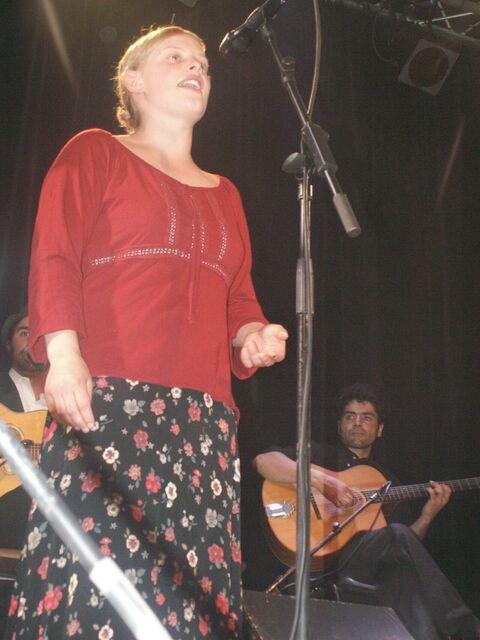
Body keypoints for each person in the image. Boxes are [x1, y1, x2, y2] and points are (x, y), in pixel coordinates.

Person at [5, 25, 288, 640]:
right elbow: (55, 254)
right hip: (108, 402)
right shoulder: (95, 152)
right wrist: (63, 355)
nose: (197, 69)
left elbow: (238, 298)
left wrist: (252, 334)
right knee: (96, 593)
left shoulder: (227, 194)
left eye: (203, 63)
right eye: (175, 57)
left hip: (204, 425)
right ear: (132, 81)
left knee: (190, 602)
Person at [253, 383, 480, 640]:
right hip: (323, 558)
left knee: (402, 567)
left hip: (365, 565)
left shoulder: (385, 480)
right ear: (339, 426)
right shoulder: (318, 454)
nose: (357, 423)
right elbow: (264, 461)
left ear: (380, 429)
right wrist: (323, 482)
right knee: (403, 574)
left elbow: (405, 543)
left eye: (366, 417)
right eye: (350, 417)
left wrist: (428, 515)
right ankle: (465, 627)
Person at [0, 311, 48, 637]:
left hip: (58, 539)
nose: (34, 340)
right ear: (7, 345)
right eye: (24, 333)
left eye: (41, 333)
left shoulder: (77, 394)